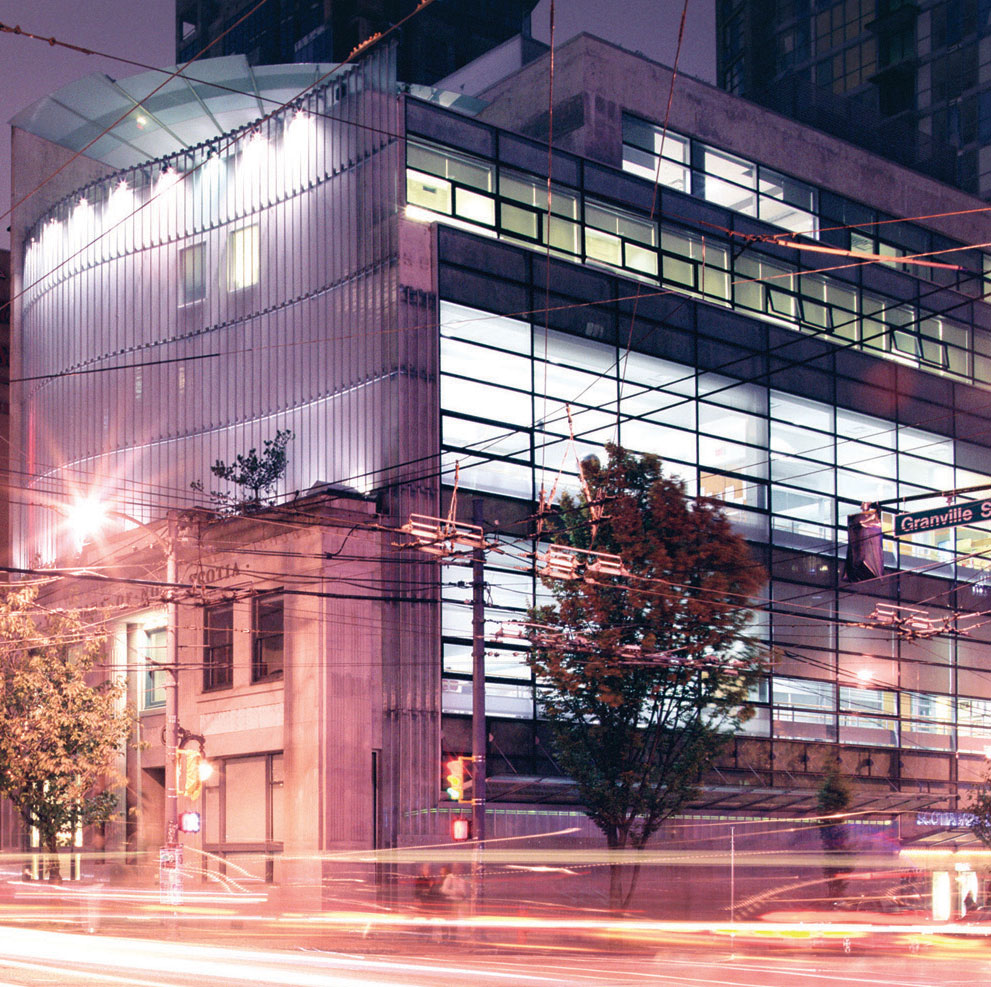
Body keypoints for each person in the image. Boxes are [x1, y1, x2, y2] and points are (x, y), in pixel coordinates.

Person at [439, 865, 468, 940]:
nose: (458, 870)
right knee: (446, 920)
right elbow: (444, 890)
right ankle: (445, 938)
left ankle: (452, 938)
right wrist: (455, 892)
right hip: (449, 901)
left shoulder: (462, 880)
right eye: (456, 868)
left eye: (459, 868)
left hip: (457, 902)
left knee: (453, 920)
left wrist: (461, 893)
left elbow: (464, 892)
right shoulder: (449, 879)